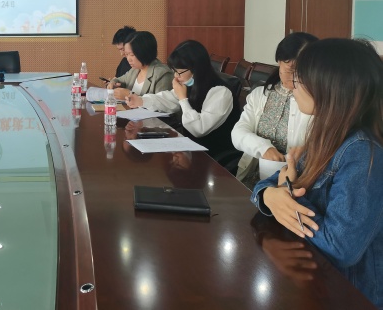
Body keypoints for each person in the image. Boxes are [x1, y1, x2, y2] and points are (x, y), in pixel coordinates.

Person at [251, 38, 383, 309]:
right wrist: (269, 196)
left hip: (348, 294)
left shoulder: (361, 151)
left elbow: (340, 247)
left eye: (300, 79)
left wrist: (287, 194)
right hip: (315, 281)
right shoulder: (327, 136)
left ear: (329, 88)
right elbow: (274, 182)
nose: (292, 86)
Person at [232, 32, 318, 189]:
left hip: (295, 184)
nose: (296, 77)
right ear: (279, 62)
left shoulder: (315, 103)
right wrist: (263, 148)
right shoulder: (260, 94)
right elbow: (238, 132)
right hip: (254, 179)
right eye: (291, 70)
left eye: (303, 71)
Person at [126, 39, 237, 158]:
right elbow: (168, 99)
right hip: (190, 149)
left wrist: (183, 99)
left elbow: (198, 129)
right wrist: (141, 100)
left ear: (196, 69)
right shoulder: (193, 83)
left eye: (179, 72)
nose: (176, 76)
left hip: (212, 156)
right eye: (174, 71)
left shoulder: (221, 92)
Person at [107, 31, 173, 100]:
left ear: (144, 52)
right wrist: (113, 83)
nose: (128, 59)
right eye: (126, 54)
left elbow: (161, 104)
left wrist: (130, 95)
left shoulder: (163, 74)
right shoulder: (135, 70)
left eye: (132, 55)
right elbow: (119, 80)